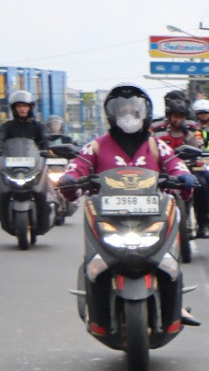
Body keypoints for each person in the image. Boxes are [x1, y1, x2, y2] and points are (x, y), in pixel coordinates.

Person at [58, 86, 200, 326]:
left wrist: (184, 176)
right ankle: (96, 312)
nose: (127, 116)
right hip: (108, 218)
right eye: (121, 111)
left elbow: (175, 164)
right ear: (111, 115)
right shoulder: (96, 145)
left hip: (152, 215)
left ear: (144, 113)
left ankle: (177, 308)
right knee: (97, 263)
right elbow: (77, 167)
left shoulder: (157, 145)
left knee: (168, 259)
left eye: (133, 111)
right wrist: (69, 179)